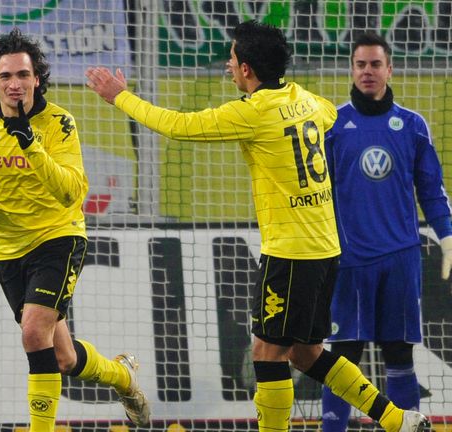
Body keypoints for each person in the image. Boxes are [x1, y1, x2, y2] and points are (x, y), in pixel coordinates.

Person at [85, 20, 430, 432]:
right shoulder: (305, 99)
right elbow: (327, 118)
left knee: (267, 353)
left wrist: (120, 96)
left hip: (290, 252)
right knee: (306, 353)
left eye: (232, 61)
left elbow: (178, 126)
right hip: (325, 248)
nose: (229, 68)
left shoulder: (253, 112)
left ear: (247, 69)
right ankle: (396, 419)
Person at [0, 28, 150, 431]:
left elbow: (72, 191)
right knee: (63, 358)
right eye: (5, 76)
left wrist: (29, 146)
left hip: (58, 237)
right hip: (7, 247)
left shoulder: (59, 123)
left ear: (37, 78)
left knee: (33, 331)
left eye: (23, 75)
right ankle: (123, 377)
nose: (14, 84)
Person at [320, 31, 452, 432]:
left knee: (398, 353)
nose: (368, 72)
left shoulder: (412, 126)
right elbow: (315, 192)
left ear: (390, 69)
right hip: (348, 262)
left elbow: (431, 189)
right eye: (361, 64)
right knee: (343, 356)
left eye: (376, 64)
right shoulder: (332, 124)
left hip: (400, 259)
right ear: (352, 69)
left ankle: (404, 427)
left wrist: (447, 236)